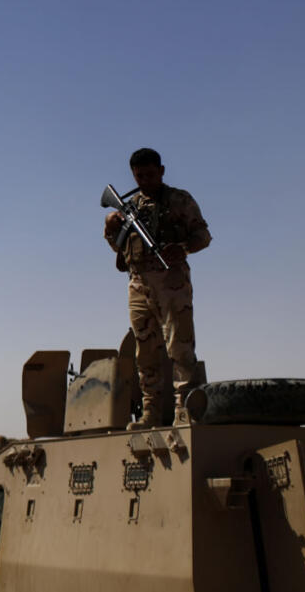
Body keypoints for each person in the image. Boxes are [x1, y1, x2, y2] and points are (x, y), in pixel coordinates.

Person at [104, 148, 211, 429]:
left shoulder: (179, 200)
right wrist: (110, 227)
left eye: (150, 174)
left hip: (172, 281)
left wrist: (184, 248)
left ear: (161, 171)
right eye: (139, 176)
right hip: (138, 283)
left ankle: (183, 410)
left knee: (180, 346)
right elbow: (118, 249)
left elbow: (203, 236)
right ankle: (149, 411)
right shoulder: (131, 207)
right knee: (145, 350)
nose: (145, 180)